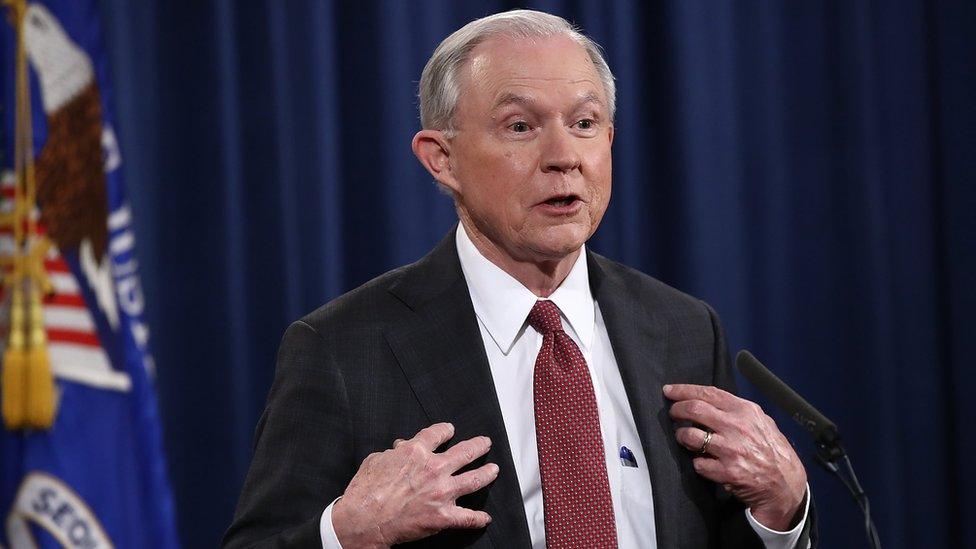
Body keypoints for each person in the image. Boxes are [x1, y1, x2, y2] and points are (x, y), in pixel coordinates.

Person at [223, 9, 814, 549]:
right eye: (520, 126)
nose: (564, 155)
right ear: (441, 159)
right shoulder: (343, 349)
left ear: (608, 141)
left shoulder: (682, 328)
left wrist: (781, 511)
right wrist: (345, 532)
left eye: (585, 123)